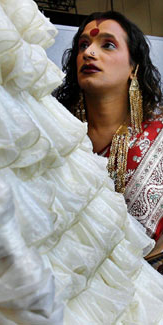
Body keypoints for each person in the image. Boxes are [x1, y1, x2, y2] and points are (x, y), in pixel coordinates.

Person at [54, 11, 163, 271]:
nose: (90, 52)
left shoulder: (159, 135)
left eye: (108, 45)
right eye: (83, 45)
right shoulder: (58, 138)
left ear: (133, 67)